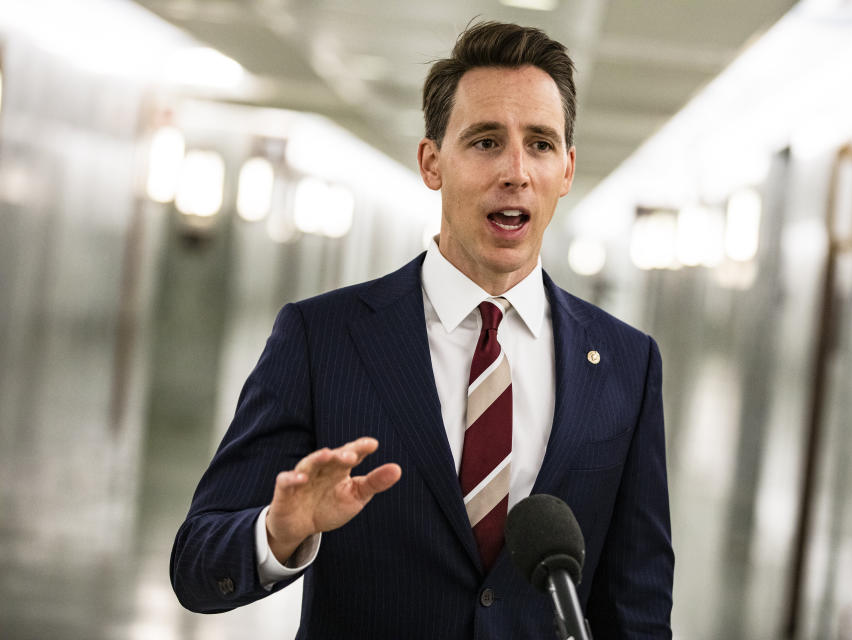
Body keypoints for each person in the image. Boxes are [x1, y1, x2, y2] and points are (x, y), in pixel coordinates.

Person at [170, 20, 673, 638]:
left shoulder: (627, 361)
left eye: (540, 144)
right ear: (432, 162)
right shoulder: (321, 338)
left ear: (566, 171)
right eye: (486, 141)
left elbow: (639, 604)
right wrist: (279, 531)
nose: (516, 170)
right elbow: (196, 565)